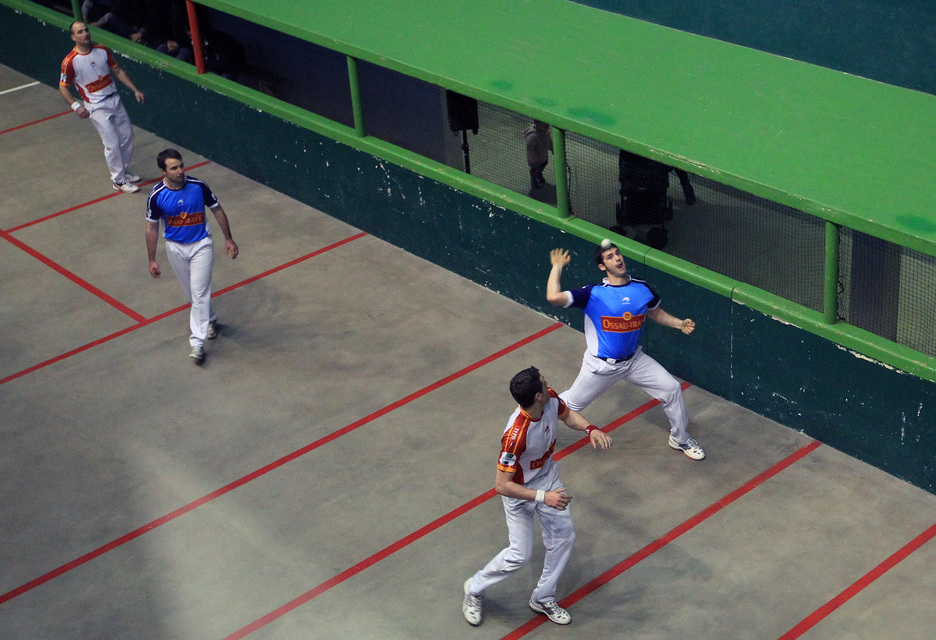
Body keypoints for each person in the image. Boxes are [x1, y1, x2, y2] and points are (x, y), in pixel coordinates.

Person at [462, 366, 612, 627]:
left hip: (548, 477)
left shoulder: (550, 398)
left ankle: (543, 597)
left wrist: (591, 429)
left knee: (564, 538)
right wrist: (543, 497)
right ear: (537, 397)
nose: (547, 382)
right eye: (543, 382)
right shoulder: (515, 437)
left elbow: (567, 415)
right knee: (520, 555)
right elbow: (501, 485)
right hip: (520, 494)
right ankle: (474, 588)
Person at [546, 242, 705, 460]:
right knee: (567, 406)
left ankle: (680, 438)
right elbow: (553, 298)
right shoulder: (593, 293)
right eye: (610, 257)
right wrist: (557, 266)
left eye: (617, 253)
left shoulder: (642, 288)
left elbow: (655, 313)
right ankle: (529, 416)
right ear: (603, 267)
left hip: (634, 361)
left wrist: (679, 324)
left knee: (672, 388)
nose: (617, 258)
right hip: (601, 366)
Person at [145, 149, 239, 364]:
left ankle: (197, 342)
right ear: (163, 171)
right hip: (175, 248)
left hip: (201, 245)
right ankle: (211, 319)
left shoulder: (199, 186)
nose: (180, 171)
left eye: (181, 166)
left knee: (198, 291)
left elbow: (217, 210)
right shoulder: (156, 195)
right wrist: (152, 259)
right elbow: (151, 228)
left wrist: (228, 238)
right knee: (192, 292)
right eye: (174, 168)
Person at [59, 20, 145, 193]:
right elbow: (62, 86)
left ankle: (123, 171)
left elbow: (118, 71)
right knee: (112, 143)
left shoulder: (102, 50)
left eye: (86, 30)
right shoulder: (70, 61)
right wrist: (76, 106)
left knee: (127, 136)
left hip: (115, 100)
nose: (85, 34)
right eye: (80, 32)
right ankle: (118, 181)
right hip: (96, 107)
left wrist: (134, 89)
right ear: (73, 37)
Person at [523, 120, 553, 191]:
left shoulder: (546, 133)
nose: (547, 127)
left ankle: (539, 174)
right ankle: (534, 181)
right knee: (534, 169)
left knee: (543, 165)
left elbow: (549, 141)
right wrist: (534, 158)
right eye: (545, 126)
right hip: (535, 160)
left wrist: (552, 148)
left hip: (543, 156)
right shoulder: (533, 136)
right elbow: (529, 148)